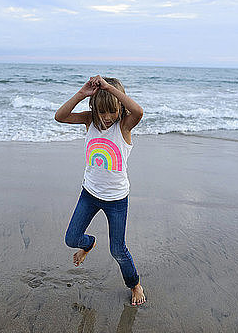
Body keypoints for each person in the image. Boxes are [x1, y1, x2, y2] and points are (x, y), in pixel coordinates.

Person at [54, 75, 147, 306]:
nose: (106, 118)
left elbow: (138, 111)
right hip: (89, 194)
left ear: (119, 108)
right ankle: (89, 244)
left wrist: (109, 89)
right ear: (94, 108)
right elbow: (60, 116)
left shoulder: (124, 125)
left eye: (112, 111)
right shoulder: (90, 121)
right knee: (71, 238)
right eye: (101, 111)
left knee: (118, 250)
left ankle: (135, 284)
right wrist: (82, 93)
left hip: (116, 200)